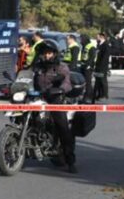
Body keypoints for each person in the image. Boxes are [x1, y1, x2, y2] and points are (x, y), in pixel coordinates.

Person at [32, 41, 76, 173]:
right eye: (44, 53)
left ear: (54, 54)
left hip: (55, 98)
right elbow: (25, 76)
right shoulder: (36, 66)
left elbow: (67, 82)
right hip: (37, 98)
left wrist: (60, 90)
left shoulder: (61, 67)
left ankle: (70, 161)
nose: (46, 56)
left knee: (62, 127)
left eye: (49, 53)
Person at [93, 32, 111, 102]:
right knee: (98, 81)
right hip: (97, 66)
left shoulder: (106, 45)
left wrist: (101, 66)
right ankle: (97, 94)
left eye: (97, 36)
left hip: (102, 67)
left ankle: (105, 94)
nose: (96, 37)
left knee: (103, 81)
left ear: (101, 37)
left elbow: (105, 57)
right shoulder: (99, 44)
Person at [81, 35, 97, 103]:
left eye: (81, 39)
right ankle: (89, 95)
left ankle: (88, 97)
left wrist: (88, 65)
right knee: (86, 82)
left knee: (88, 82)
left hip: (88, 67)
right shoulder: (85, 45)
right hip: (83, 66)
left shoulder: (91, 46)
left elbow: (92, 56)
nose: (80, 40)